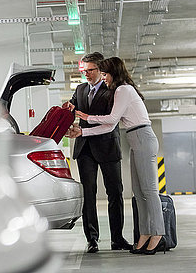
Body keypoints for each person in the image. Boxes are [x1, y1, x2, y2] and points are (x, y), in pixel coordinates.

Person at [69, 56, 166, 255]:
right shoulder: (87, 90)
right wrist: (82, 130)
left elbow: (111, 120)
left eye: (102, 73)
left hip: (135, 139)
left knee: (147, 192)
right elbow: (109, 123)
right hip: (131, 139)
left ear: (109, 71)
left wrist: (87, 118)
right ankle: (144, 235)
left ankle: (156, 234)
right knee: (139, 193)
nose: (102, 77)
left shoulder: (120, 90)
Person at [62, 52, 131, 253]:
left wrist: (87, 120)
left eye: (91, 70)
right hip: (85, 148)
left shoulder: (112, 90)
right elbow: (73, 108)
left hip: (107, 145)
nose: (87, 74)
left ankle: (117, 238)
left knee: (115, 193)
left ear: (101, 71)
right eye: (84, 71)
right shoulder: (81, 89)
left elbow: (112, 119)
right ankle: (92, 239)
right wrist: (68, 110)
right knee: (89, 194)